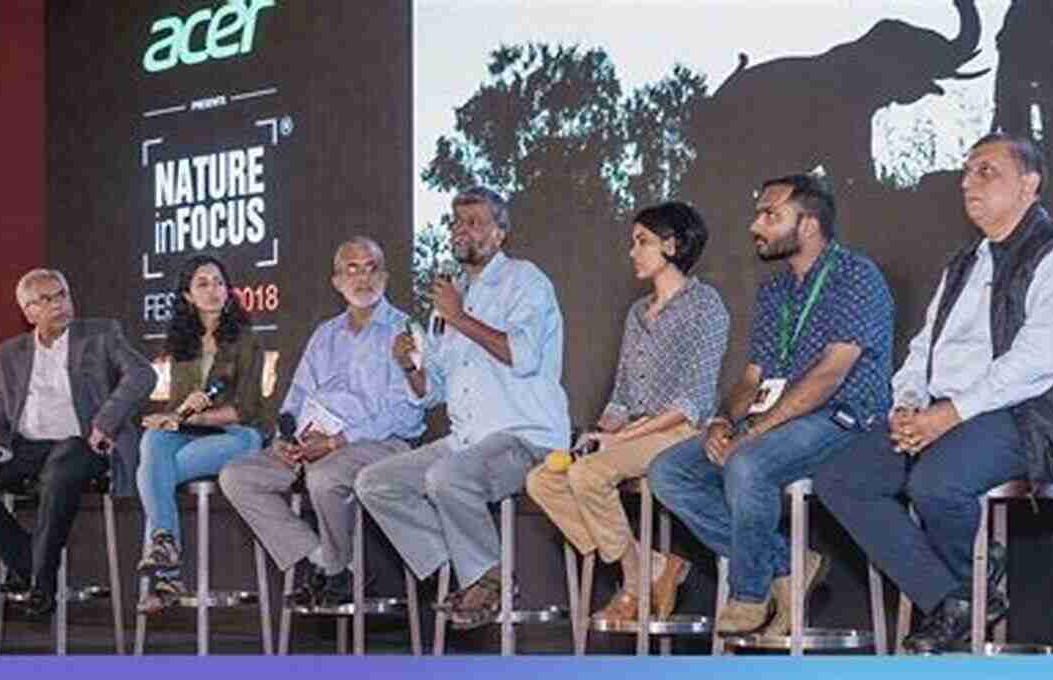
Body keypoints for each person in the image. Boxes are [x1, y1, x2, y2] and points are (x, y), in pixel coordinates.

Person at [815, 133, 1053, 654]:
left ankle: (962, 592)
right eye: (966, 171)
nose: (967, 182)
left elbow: (1039, 361)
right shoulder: (964, 263)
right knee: (843, 478)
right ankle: (957, 595)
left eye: (986, 171)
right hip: (952, 412)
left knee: (936, 483)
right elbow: (923, 346)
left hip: (1047, 414)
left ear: (1030, 184)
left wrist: (948, 416)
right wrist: (909, 404)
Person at [648, 173, 895, 635]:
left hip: (842, 418)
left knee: (747, 463)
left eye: (770, 215)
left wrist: (756, 432)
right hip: (778, 421)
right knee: (668, 472)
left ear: (808, 224)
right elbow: (753, 376)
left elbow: (829, 375)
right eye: (758, 213)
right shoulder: (775, 292)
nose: (755, 225)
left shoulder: (854, 276)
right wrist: (725, 420)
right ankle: (787, 563)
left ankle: (749, 592)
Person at [356, 186, 570, 630]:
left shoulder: (526, 281)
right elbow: (432, 390)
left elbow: (523, 354)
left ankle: (488, 579)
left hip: (524, 436)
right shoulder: (449, 295)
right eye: (456, 221)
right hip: (466, 439)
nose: (461, 230)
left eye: (474, 221)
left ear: (500, 234)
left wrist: (458, 318)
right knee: (376, 483)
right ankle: (466, 571)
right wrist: (409, 367)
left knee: (446, 477)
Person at [526, 201, 728, 622]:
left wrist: (620, 440)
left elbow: (691, 401)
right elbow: (620, 394)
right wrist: (600, 432)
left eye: (642, 242)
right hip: (634, 434)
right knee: (543, 480)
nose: (632, 252)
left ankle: (634, 582)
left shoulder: (706, 306)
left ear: (671, 245)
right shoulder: (637, 312)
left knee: (588, 474)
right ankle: (648, 565)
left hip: (681, 434)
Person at [220, 236, 424, 608]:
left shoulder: (405, 331)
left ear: (386, 276)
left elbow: (408, 413)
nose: (363, 277)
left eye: (371, 268)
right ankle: (328, 564)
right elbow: (297, 397)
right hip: (313, 444)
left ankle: (334, 568)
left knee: (325, 475)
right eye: (352, 268)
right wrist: (288, 437)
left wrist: (336, 442)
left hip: (381, 444)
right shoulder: (325, 334)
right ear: (336, 281)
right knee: (237, 476)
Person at [0, 269, 155, 617]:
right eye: (47, 300)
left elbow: (143, 374)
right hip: (27, 448)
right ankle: (27, 561)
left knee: (61, 464)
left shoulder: (100, 334)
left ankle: (41, 582)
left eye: (63, 295)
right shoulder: (9, 353)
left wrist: (105, 421)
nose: (59, 304)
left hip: (84, 444)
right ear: (29, 313)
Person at [135, 255, 272, 613]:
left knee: (153, 474)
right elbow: (183, 409)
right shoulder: (183, 344)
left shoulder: (246, 339)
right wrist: (174, 416)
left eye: (219, 282)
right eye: (203, 283)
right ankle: (166, 547)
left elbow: (246, 409)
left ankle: (169, 575)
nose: (214, 290)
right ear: (187, 296)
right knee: (153, 441)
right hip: (193, 432)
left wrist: (200, 414)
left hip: (239, 435)